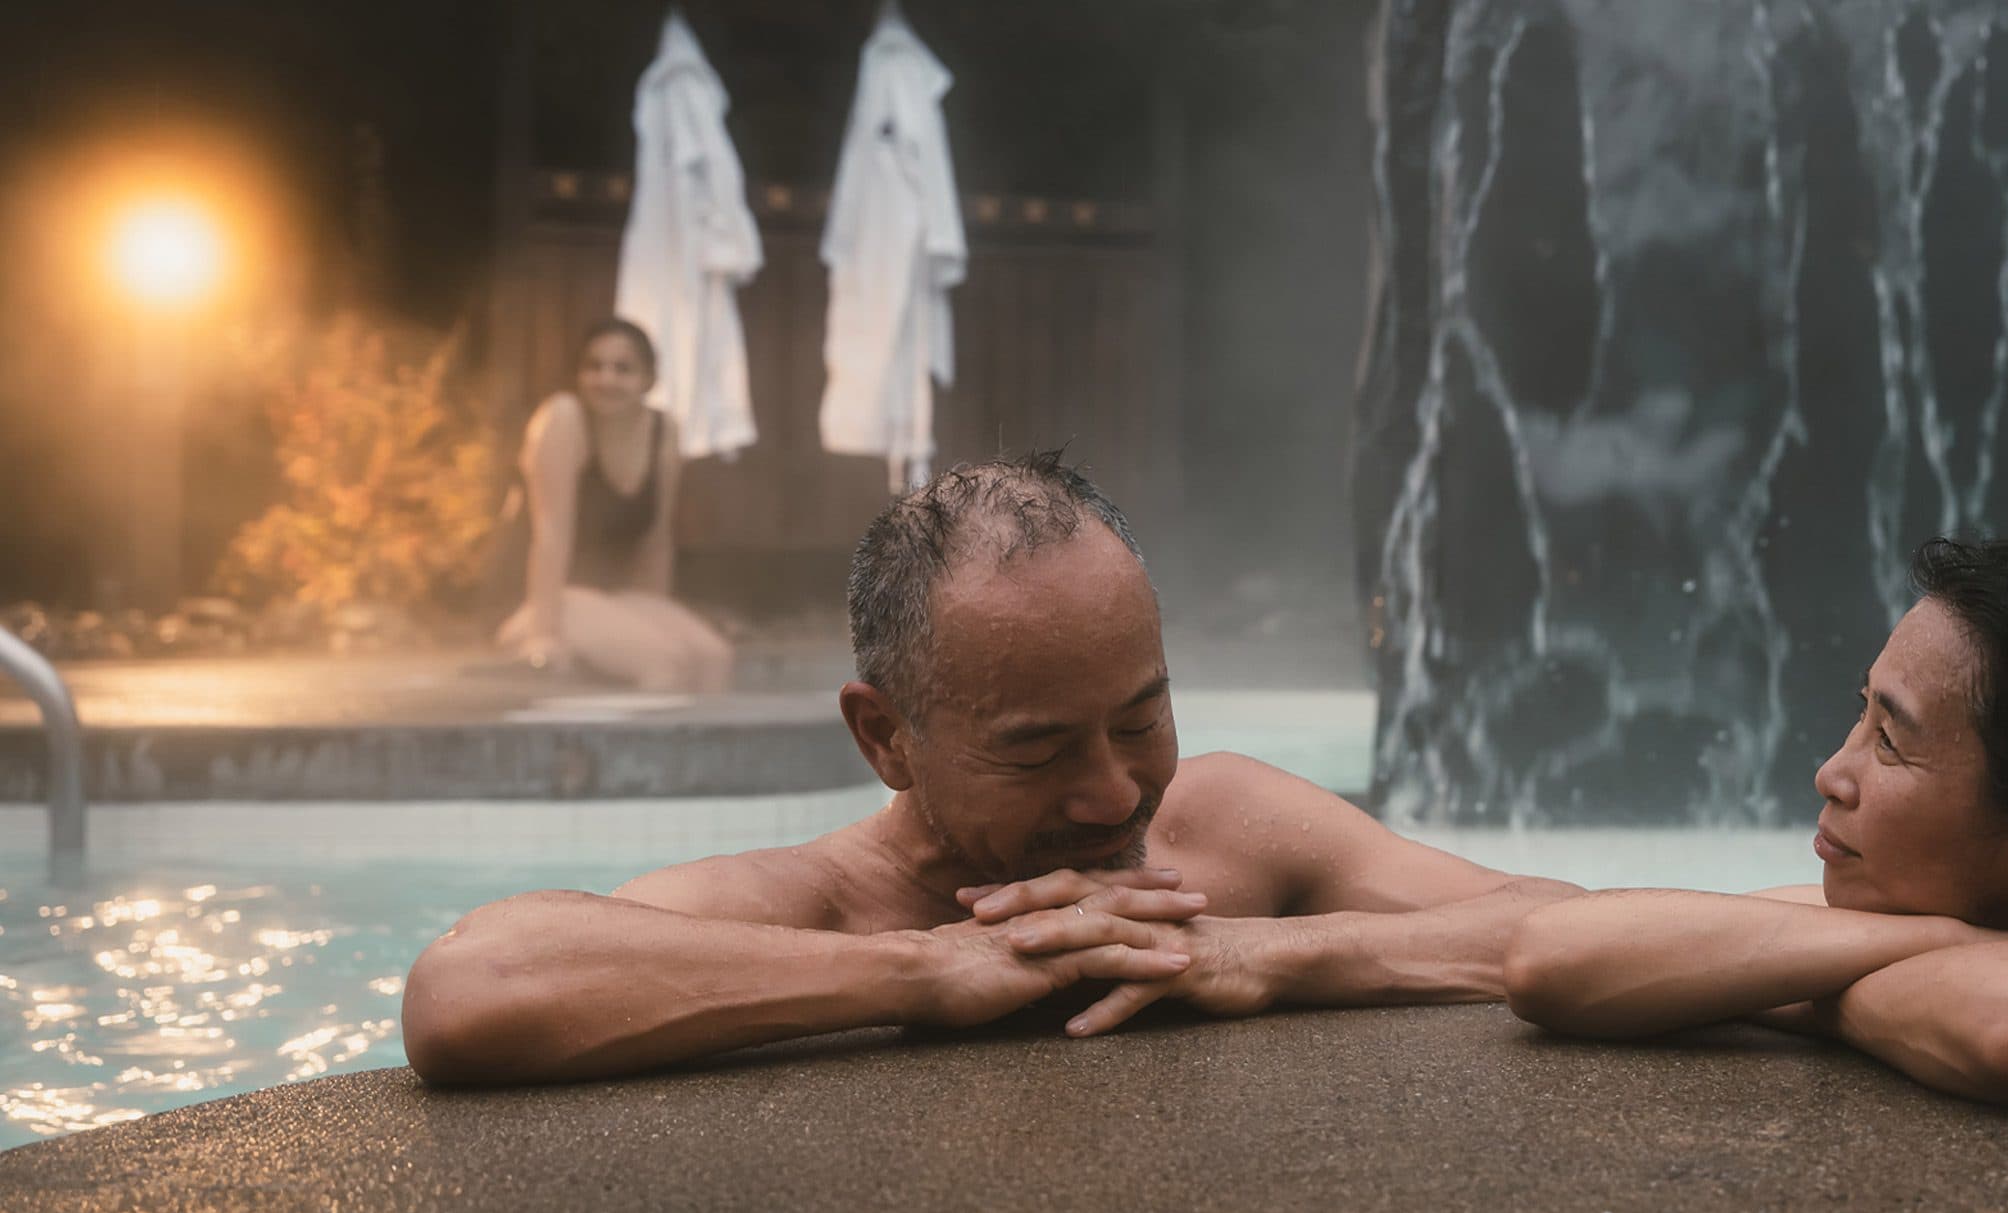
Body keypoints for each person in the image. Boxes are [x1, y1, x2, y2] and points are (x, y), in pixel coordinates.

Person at [406, 452, 1572, 1085]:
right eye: (1034, 749)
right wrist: (925, 973)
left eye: (1138, 719)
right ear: (884, 741)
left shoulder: (1232, 825)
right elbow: (474, 986)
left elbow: (1575, 927)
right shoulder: (809, 908)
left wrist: (1269, 954)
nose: (1115, 793)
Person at [1504, 537, 2008, 1111]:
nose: (1831, 773)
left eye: (1891, 742)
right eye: (1858, 717)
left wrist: (1780, 980)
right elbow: (1554, 956)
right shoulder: (1885, 927)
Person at [493, 318, 734, 692]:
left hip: (607, 599)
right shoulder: (563, 419)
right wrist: (541, 636)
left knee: (714, 658)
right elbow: (550, 534)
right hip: (540, 600)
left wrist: (649, 619)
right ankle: (651, 750)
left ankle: (694, 750)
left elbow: (656, 539)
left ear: (649, 379)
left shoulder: (662, 431)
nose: (606, 379)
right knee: (663, 661)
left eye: (623, 369)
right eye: (594, 366)